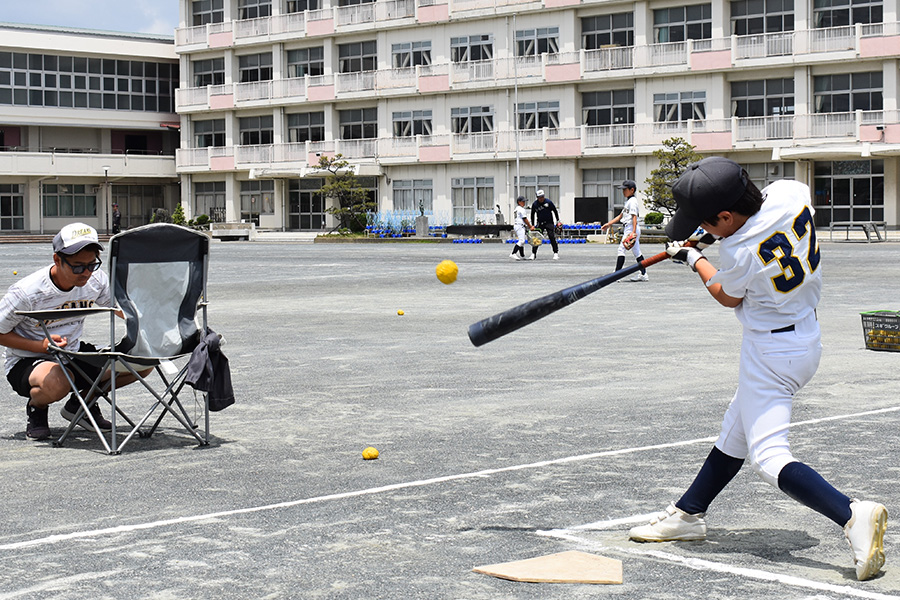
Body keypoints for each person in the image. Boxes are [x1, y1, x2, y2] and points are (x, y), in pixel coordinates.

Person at [629, 157, 887, 582]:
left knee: (768, 456)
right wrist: (712, 237)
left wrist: (695, 258)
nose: (708, 230)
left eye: (711, 223)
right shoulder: (790, 192)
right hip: (804, 336)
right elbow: (759, 228)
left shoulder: (738, 249)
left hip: (772, 353)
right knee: (737, 428)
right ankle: (688, 513)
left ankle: (851, 514)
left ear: (727, 216)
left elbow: (726, 294)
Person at [0, 223, 138, 441]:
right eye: (77, 266)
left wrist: (146, 318)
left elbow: (120, 308)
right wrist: (41, 345)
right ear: (57, 259)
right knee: (59, 381)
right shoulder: (27, 292)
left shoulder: (96, 279)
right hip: (29, 359)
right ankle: (37, 407)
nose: (85, 273)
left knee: (139, 363)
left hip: (71, 353)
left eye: (92, 265)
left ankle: (82, 404)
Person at [600, 179, 648, 281]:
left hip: (631, 227)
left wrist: (633, 232)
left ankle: (617, 274)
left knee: (621, 249)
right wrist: (609, 224)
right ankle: (643, 274)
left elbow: (634, 217)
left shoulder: (633, 202)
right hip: (630, 227)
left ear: (632, 190)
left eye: (625, 189)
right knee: (637, 252)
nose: (623, 191)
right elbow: (620, 216)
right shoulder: (628, 202)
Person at [529, 190, 562, 260]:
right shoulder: (535, 204)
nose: (541, 198)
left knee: (551, 236)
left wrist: (558, 220)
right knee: (537, 238)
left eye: (542, 197)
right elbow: (532, 214)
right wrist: (532, 225)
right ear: (537, 197)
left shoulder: (548, 202)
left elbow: (555, 210)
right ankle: (533, 254)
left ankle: (555, 253)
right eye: (540, 197)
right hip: (540, 223)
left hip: (549, 222)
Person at [508, 196, 533, 260]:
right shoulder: (521, 209)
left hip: (518, 225)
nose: (524, 203)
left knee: (522, 240)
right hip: (519, 226)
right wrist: (530, 226)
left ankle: (522, 255)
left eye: (524, 201)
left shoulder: (517, 208)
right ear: (519, 202)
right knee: (522, 241)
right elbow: (524, 219)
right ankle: (513, 253)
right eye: (523, 201)